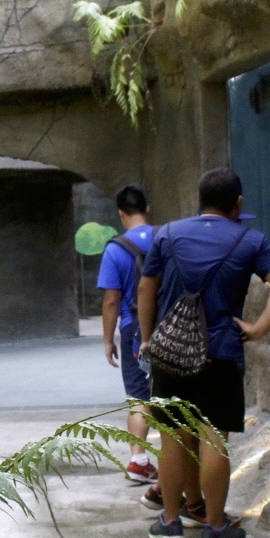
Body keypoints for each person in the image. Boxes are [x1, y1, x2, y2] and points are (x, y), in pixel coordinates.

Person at [138, 168, 270, 538]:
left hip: (171, 353)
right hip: (221, 353)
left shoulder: (168, 234)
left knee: (173, 435)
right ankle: (214, 527)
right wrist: (258, 328)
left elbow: (147, 288)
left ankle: (171, 522)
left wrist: (148, 339)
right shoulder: (251, 240)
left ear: (200, 200)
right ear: (238, 203)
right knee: (214, 438)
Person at [97, 185, 158, 484]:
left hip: (134, 328)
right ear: (148, 208)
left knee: (138, 395)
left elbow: (111, 300)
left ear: (121, 214)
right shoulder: (167, 238)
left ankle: (139, 459)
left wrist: (108, 340)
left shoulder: (114, 249)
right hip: (170, 325)